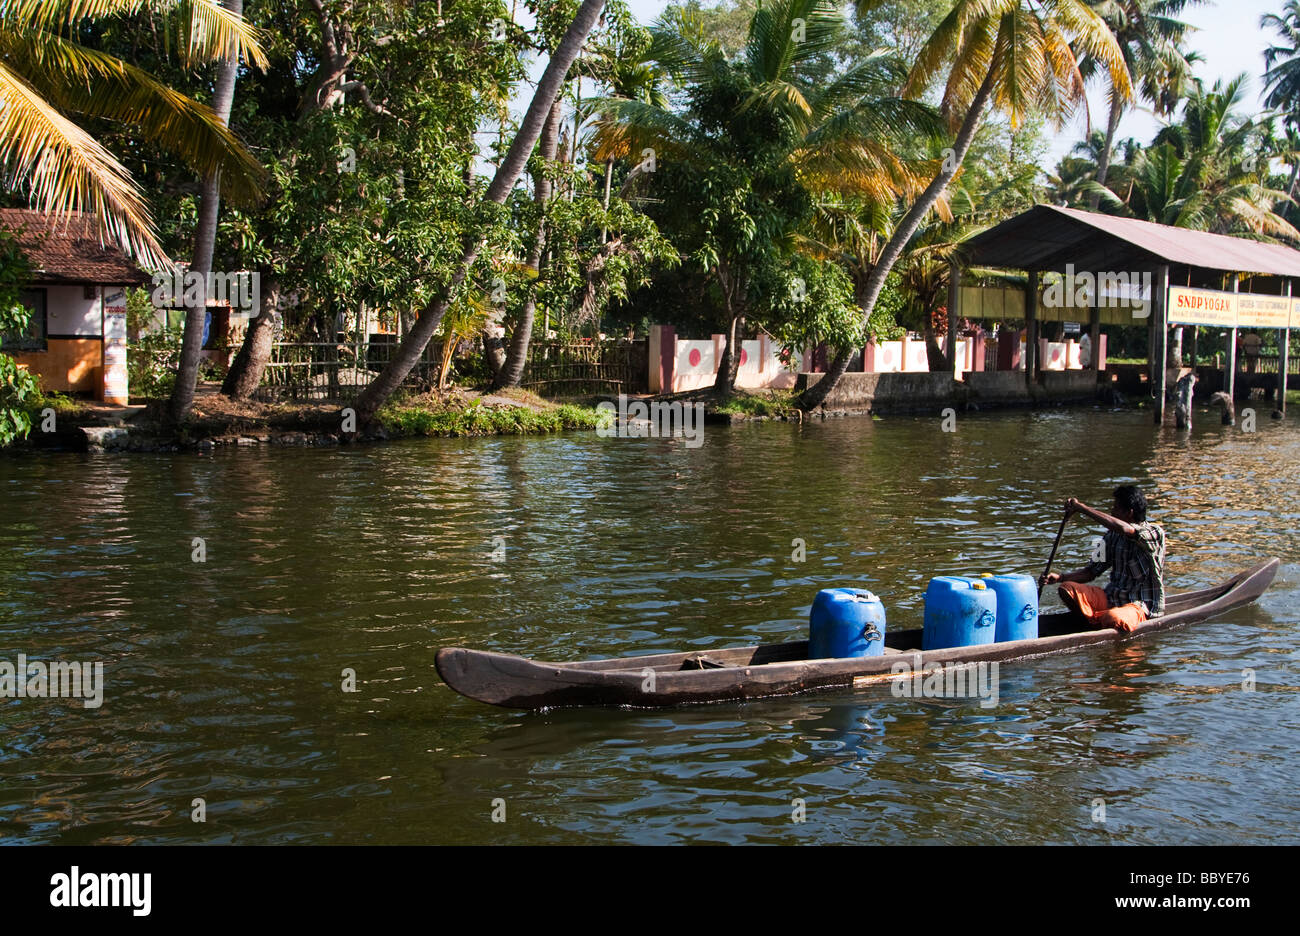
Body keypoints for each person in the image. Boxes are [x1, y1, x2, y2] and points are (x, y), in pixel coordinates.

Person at [1040, 485, 1166, 633]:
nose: (1112, 512)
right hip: (1112, 599)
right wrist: (1059, 577)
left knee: (1113, 618)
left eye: (1116, 509)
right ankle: (1095, 621)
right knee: (1067, 589)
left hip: (1140, 605)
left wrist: (1082, 508)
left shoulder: (1154, 533)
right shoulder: (1110, 536)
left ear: (1129, 513)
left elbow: (1125, 529)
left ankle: (1100, 620)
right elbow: (1090, 572)